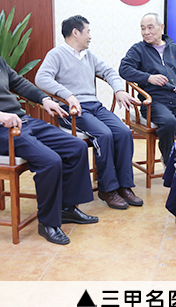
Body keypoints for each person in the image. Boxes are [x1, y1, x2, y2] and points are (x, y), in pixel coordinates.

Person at [0, 12, 98, 246]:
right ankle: (48, 223)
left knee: (76, 146)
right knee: (50, 160)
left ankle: (66, 208)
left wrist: (45, 100)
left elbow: (18, 83)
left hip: (21, 122)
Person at [35, 15, 143, 210]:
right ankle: (107, 189)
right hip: (71, 110)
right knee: (104, 134)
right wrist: (68, 95)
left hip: (94, 106)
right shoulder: (56, 54)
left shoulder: (88, 55)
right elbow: (41, 78)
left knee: (124, 132)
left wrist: (119, 90)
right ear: (75, 33)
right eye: (88, 31)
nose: (90, 36)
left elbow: (109, 72)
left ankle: (124, 186)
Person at [119, 13, 176, 164]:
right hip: (153, 101)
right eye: (143, 28)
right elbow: (124, 69)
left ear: (161, 27)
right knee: (169, 123)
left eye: (150, 27)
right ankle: (169, 160)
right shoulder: (138, 50)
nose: (146, 32)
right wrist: (148, 77)